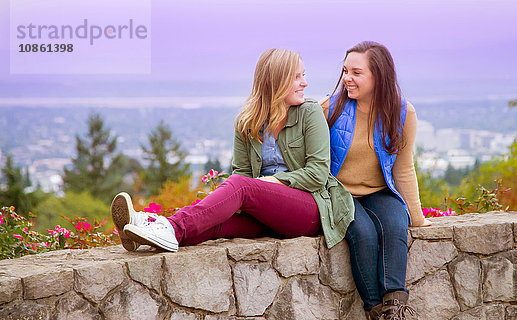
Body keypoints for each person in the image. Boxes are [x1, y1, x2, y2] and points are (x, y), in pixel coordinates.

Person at [111, 49, 353, 253]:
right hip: (265, 213)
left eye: (304, 75)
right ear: (276, 82)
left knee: (240, 185)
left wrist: (272, 181)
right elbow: (243, 171)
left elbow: (318, 174)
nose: (305, 83)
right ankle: (147, 232)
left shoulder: (309, 113)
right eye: (297, 77)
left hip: (309, 210)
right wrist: (234, 202)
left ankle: (168, 226)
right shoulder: (247, 122)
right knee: (216, 225)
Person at [322, 41, 431, 320]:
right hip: (339, 193)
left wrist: (418, 216)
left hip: (379, 191)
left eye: (357, 72)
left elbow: (403, 166)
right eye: (345, 71)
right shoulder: (329, 108)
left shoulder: (402, 111)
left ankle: (392, 318)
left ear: (378, 76)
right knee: (364, 233)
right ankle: (379, 318)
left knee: (397, 226)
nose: (347, 79)